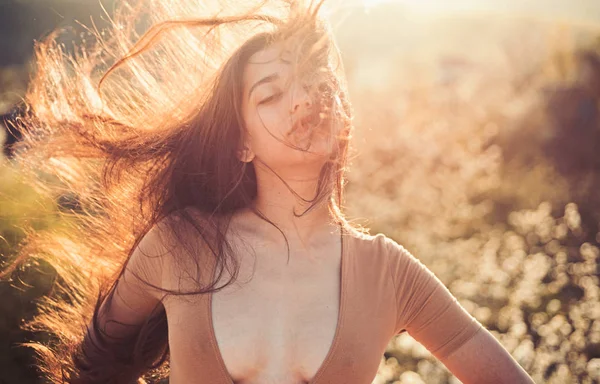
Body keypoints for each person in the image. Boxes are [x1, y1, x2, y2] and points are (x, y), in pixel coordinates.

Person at [6, 0, 536, 383]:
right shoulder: (179, 246)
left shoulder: (388, 273)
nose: (301, 102)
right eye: (271, 95)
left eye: (313, 83)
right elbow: (94, 362)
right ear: (240, 142)